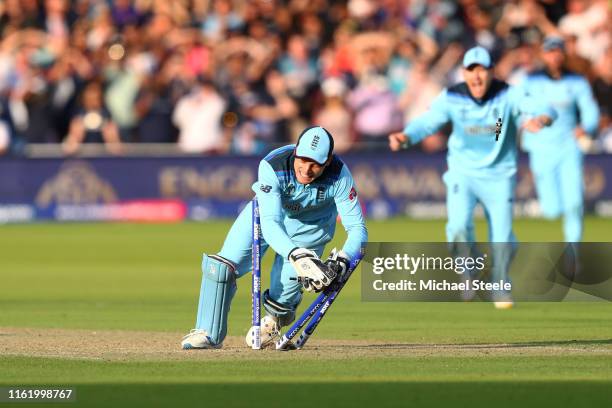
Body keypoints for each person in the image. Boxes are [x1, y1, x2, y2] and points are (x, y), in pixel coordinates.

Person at [388, 46, 556, 309]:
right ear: (463, 73)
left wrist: (541, 120)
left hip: (500, 175)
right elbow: (429, 121)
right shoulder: (452, 96)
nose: (476, 76)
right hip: (462, 173)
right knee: (457, 228)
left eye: (482, 69)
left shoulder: (508, 93)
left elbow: (544, 108)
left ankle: (500, 284)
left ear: (491, 71)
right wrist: (407, 136)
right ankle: (471, 270)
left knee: (501, 236)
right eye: (471, 70)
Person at [181, 126, 368, 349]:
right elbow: (271, 222)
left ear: (327, 162)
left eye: (315, 164)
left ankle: (273, 322)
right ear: (296, 151)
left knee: (284, 296)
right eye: (303, 160)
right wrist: (295, 254)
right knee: (222, 266)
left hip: (311, 227)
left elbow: (358, 228)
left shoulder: (339, 175)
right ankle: (207, 333)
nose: (306, 170)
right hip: (267, 215)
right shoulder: (273, 164)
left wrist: (344, 260)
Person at [520, 37, 600, 243]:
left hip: (569, 146)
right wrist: (526, 121)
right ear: (543, 54)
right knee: (552, 210)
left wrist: (585, 127)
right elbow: (519, 106)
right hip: (541, 147)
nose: (554, 56)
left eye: (558, 51)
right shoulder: (531, 80)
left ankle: (573, 253)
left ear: (563, 54)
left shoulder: (577, 81)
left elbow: (590, 111)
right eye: (550, 51)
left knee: (574, 202)